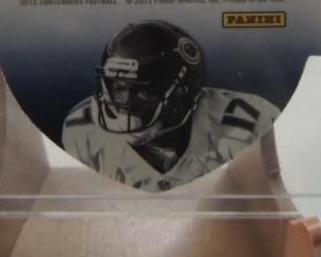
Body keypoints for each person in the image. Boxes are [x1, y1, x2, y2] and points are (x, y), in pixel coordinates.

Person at [61, 20, 280, 191]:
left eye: (144, 90)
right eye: (119, 87)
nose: (126, 101)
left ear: (182, 92)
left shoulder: (246, 124)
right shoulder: (84, 132)